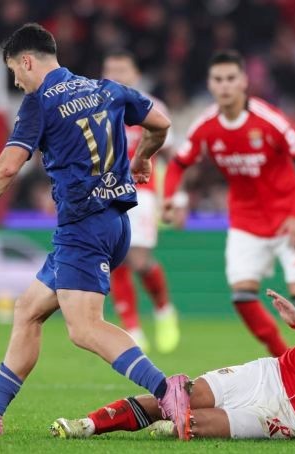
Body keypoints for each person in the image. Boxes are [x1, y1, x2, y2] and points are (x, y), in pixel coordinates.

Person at [0, 23, 189, 436]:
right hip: (115, 221)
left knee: (84, 328)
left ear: (27, 60)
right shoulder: (106, 89)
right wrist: (143, 158)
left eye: (14, 72)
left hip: (83, 226)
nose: (17, 82)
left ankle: (168, 390)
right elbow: (159, 123)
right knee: (29, 310)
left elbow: (6, 168)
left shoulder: (40, 103)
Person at [49, 237, 295, 440]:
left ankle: (169, 426)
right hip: (272, 372)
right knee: (180, 395)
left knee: (189, 424)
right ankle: (87, 425)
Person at [162, 49, 295, 357]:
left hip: (286, 219)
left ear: (244, 82)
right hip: (245, 223)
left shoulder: (268, 119)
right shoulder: (206, 126)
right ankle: (284, 358)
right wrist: (172, 197)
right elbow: (178, 164)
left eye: (230, 78)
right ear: (210, 85)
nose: (224, 85)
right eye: (218, 79)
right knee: (242, 295)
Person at [102, 50, 180, 354]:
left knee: (138, 259)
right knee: (115, 259)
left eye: (122, 69)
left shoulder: (150, 106)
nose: (116, 74)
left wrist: (177, 196)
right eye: (110, 69)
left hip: (141, 192)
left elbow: (173, 155)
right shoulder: (94, 103)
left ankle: (163, 309)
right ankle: (132, 329)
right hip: (104, 191)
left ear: (135, 74)